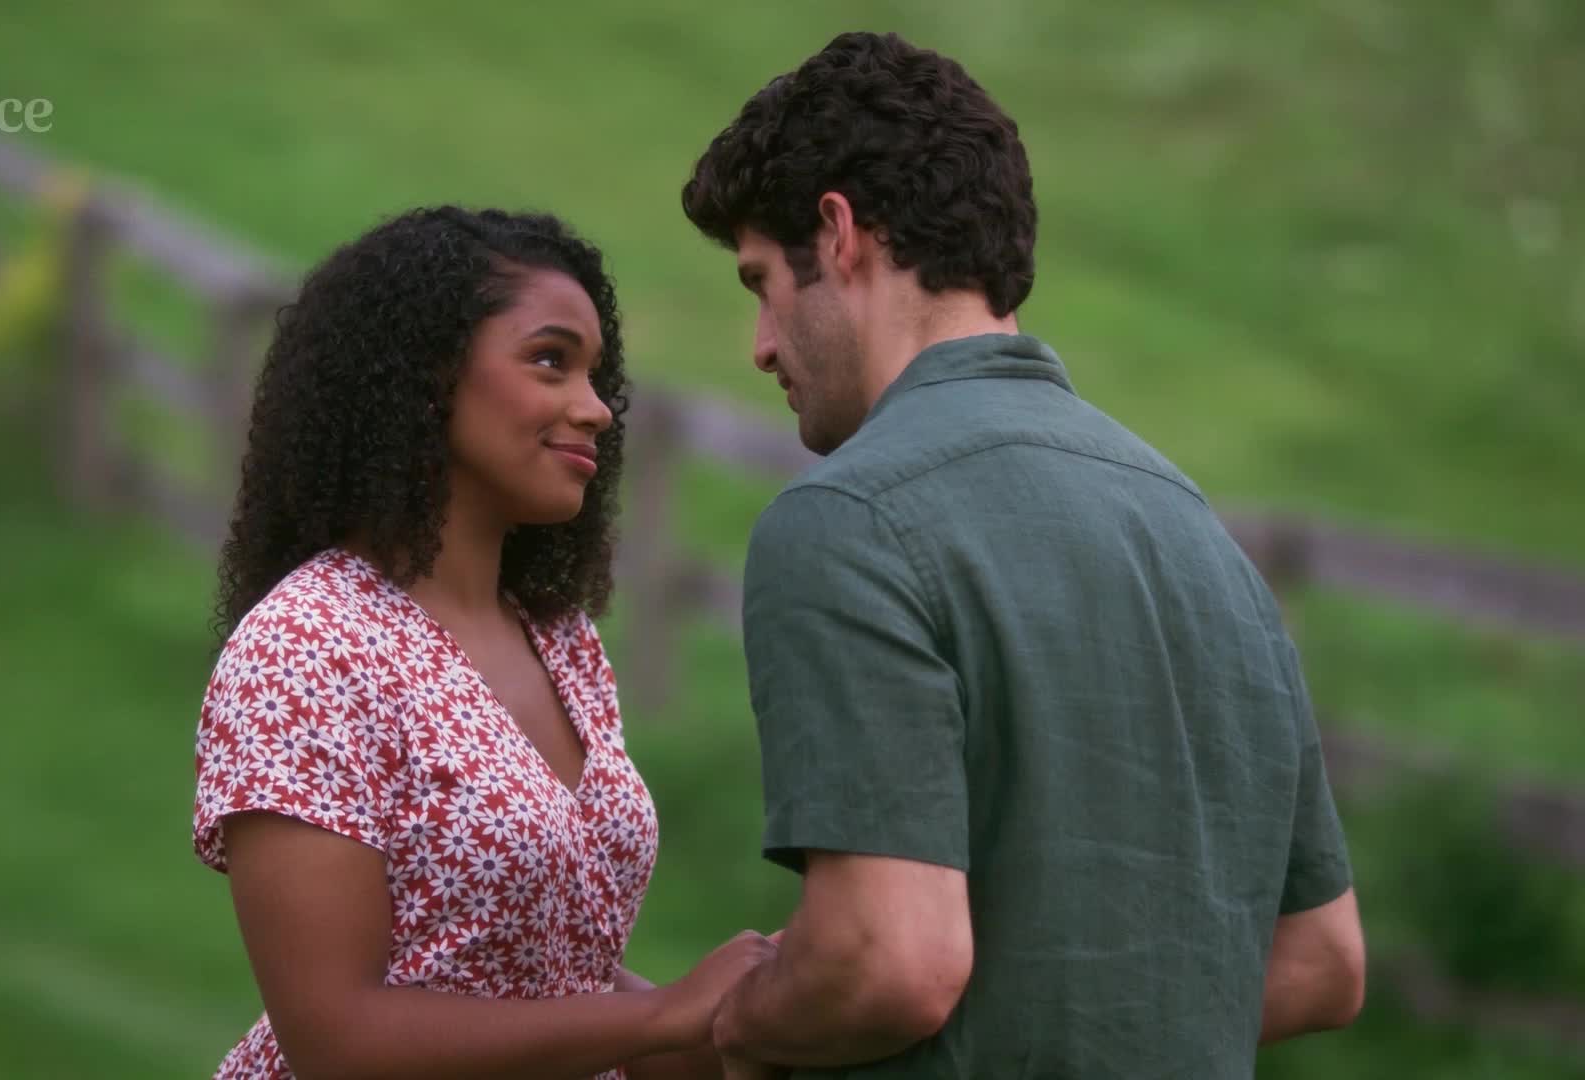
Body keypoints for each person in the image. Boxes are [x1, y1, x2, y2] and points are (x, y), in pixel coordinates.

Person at [677, 32, 1367, 1079]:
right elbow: (1319, 961)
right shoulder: (1208, 545)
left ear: (841, 232)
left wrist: (733, 1025)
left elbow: (889, 962)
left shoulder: (844, 522)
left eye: (762, 282)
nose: (762, 344)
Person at [192, 206, 776, 1080]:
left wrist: (734, 1028)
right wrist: (660, 1015)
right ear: (426, 373)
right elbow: (336, 1041)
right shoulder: (307, 647)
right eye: (550, 361)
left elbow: (542, 969)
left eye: (597, 376)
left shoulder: (558, 639)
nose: (595, 410)